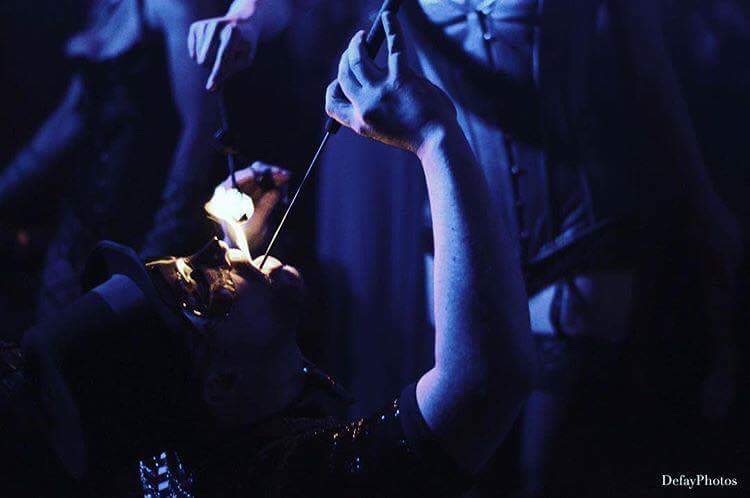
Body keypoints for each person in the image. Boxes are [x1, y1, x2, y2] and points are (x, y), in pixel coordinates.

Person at [189, 1, 743, 496]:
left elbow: (650, 73)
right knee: (470, 465)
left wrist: (703, 204)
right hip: (456, 244)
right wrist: (245, 16)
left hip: (578, 236)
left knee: (545, 472)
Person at [1, 14, 535, 497]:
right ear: (220, 384)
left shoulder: (174, 441)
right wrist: (434, 137)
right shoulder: (292, 480)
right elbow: (484, 383)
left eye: (195, 254)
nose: (218, 248)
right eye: (200, 282)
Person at [0, 0, 229, 321]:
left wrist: (160, 240)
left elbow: (200, 129)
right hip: (78, 225)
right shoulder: (101, 14)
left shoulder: (172, 8)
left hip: (141, 226)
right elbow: (66, 124)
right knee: (48, 340)